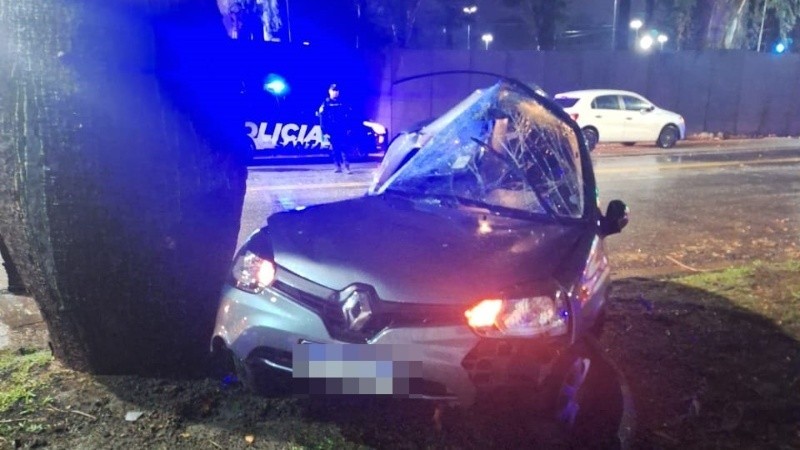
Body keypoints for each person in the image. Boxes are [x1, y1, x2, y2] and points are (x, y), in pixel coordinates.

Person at [317, 83, 353, 173]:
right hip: (332, 131)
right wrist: (324, 131)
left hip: (342, 130)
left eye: (337, 91)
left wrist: (349, 128)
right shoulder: (326, 103)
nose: (335, 93)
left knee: (344, 148)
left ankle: (347, 167)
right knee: (335, 149)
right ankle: (337, 166)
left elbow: (348, 116)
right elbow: (322, 118)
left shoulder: (343, 103)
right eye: (333, 91)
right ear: (329, 91)